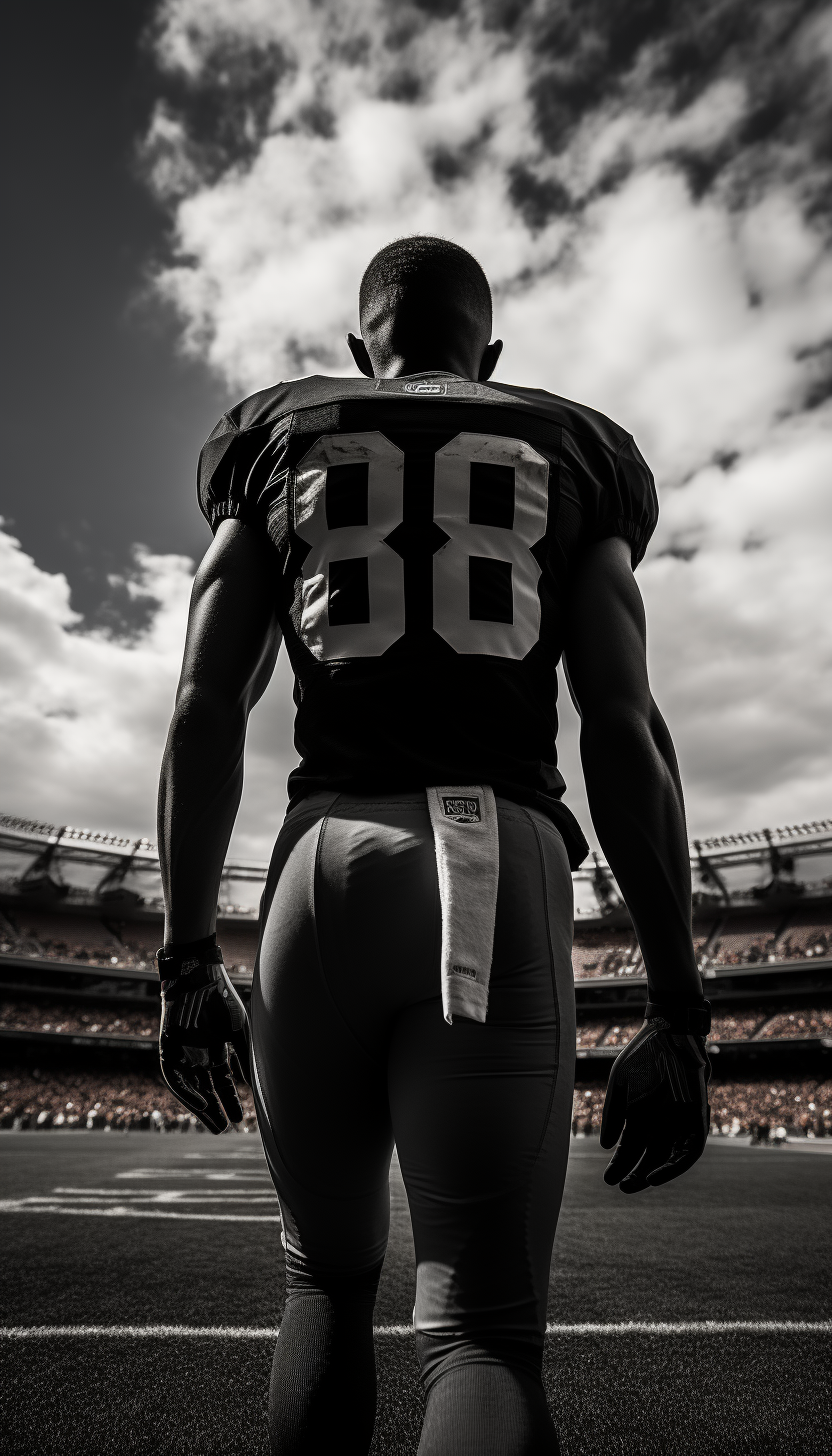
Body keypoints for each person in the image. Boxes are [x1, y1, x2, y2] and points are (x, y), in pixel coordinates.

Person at [156, 237, 711, 1455]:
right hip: (492, 855)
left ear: (364, 348)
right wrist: (678, 1006)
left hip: (320, 861)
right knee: (479, 1335)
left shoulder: (277, 431)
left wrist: (185, 954)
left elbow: (205, 704)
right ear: (492, 353)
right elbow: (624, 725)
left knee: (322, 1278)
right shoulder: (573, 446)